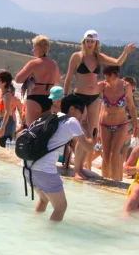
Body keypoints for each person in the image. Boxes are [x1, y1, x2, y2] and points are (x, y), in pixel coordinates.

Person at [62, 30, 135, 180]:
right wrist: (64, 95)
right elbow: (69, 76)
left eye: (92, 41)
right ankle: (76, 170)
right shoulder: (77, 56)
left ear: (96, 43)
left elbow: (117, 62)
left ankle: (81, 167)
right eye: (87, 41)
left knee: (91, 134)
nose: (89, 44)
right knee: (82, 133)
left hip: (94, 98)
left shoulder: (98, 57)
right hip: (79, 97)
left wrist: (125, 52)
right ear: (84, 42)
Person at [27, 94, 97, 222]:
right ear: (72, 109)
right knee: (60, 207)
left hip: (27, 166)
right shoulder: (71, 121)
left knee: (44, 199)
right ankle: (50, 233)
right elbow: (89, 148)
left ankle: (33, 226)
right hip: (44, 169)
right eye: (83, 113)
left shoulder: (51, 116)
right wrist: (87, 129)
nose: (84, 117)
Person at [96, 65, 139, 181]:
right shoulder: (102, 86)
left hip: (121, 124)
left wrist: (136, 126)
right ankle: (104, 181)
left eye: (108, 76)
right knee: (106, 156)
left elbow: (132, 107)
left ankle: (115, 182)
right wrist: (98, 130)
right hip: (104, 125)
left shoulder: (126, 87)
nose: (106, 79)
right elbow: (92, 102)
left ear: (116, 75)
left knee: (115, 154)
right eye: (104, 76)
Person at [15, 35, 61, 125]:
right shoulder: (54, 64)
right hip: (48, 99)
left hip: (34, 98)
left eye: (33, 47)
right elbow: (57, 79)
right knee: (44, 129)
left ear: (38, 48)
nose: (32, 50)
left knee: (32, 129)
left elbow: (18, 79)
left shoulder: (34, 63)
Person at [0, 71, 24, 147]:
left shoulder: (11, 97)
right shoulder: (1, 94)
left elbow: (20, 112)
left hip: (7, 123)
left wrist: (21, 124)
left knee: (5, 145)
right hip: (1, 122)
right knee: (2, 145)